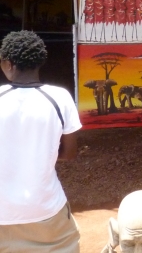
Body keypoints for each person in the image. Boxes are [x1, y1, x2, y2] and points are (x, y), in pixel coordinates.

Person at [0, 31, 82, 251]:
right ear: (40, 62)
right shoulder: (60, 98)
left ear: (8, 64)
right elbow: (69, 153)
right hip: (46, 210)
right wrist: (39, 155)